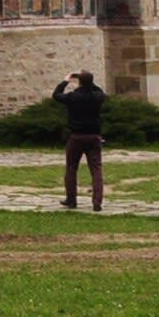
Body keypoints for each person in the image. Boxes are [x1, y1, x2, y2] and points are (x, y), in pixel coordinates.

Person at [52, 69, 108, 211]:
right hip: (94, 137)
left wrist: (66, 80)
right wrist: (90, 83)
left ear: (79, 82)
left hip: (76, 137)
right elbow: (101, 92)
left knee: (71, 168)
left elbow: (56, 95)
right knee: (96, 169)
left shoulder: (73, 97)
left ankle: (71, 200)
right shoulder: (97, 97)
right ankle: (97, 202)